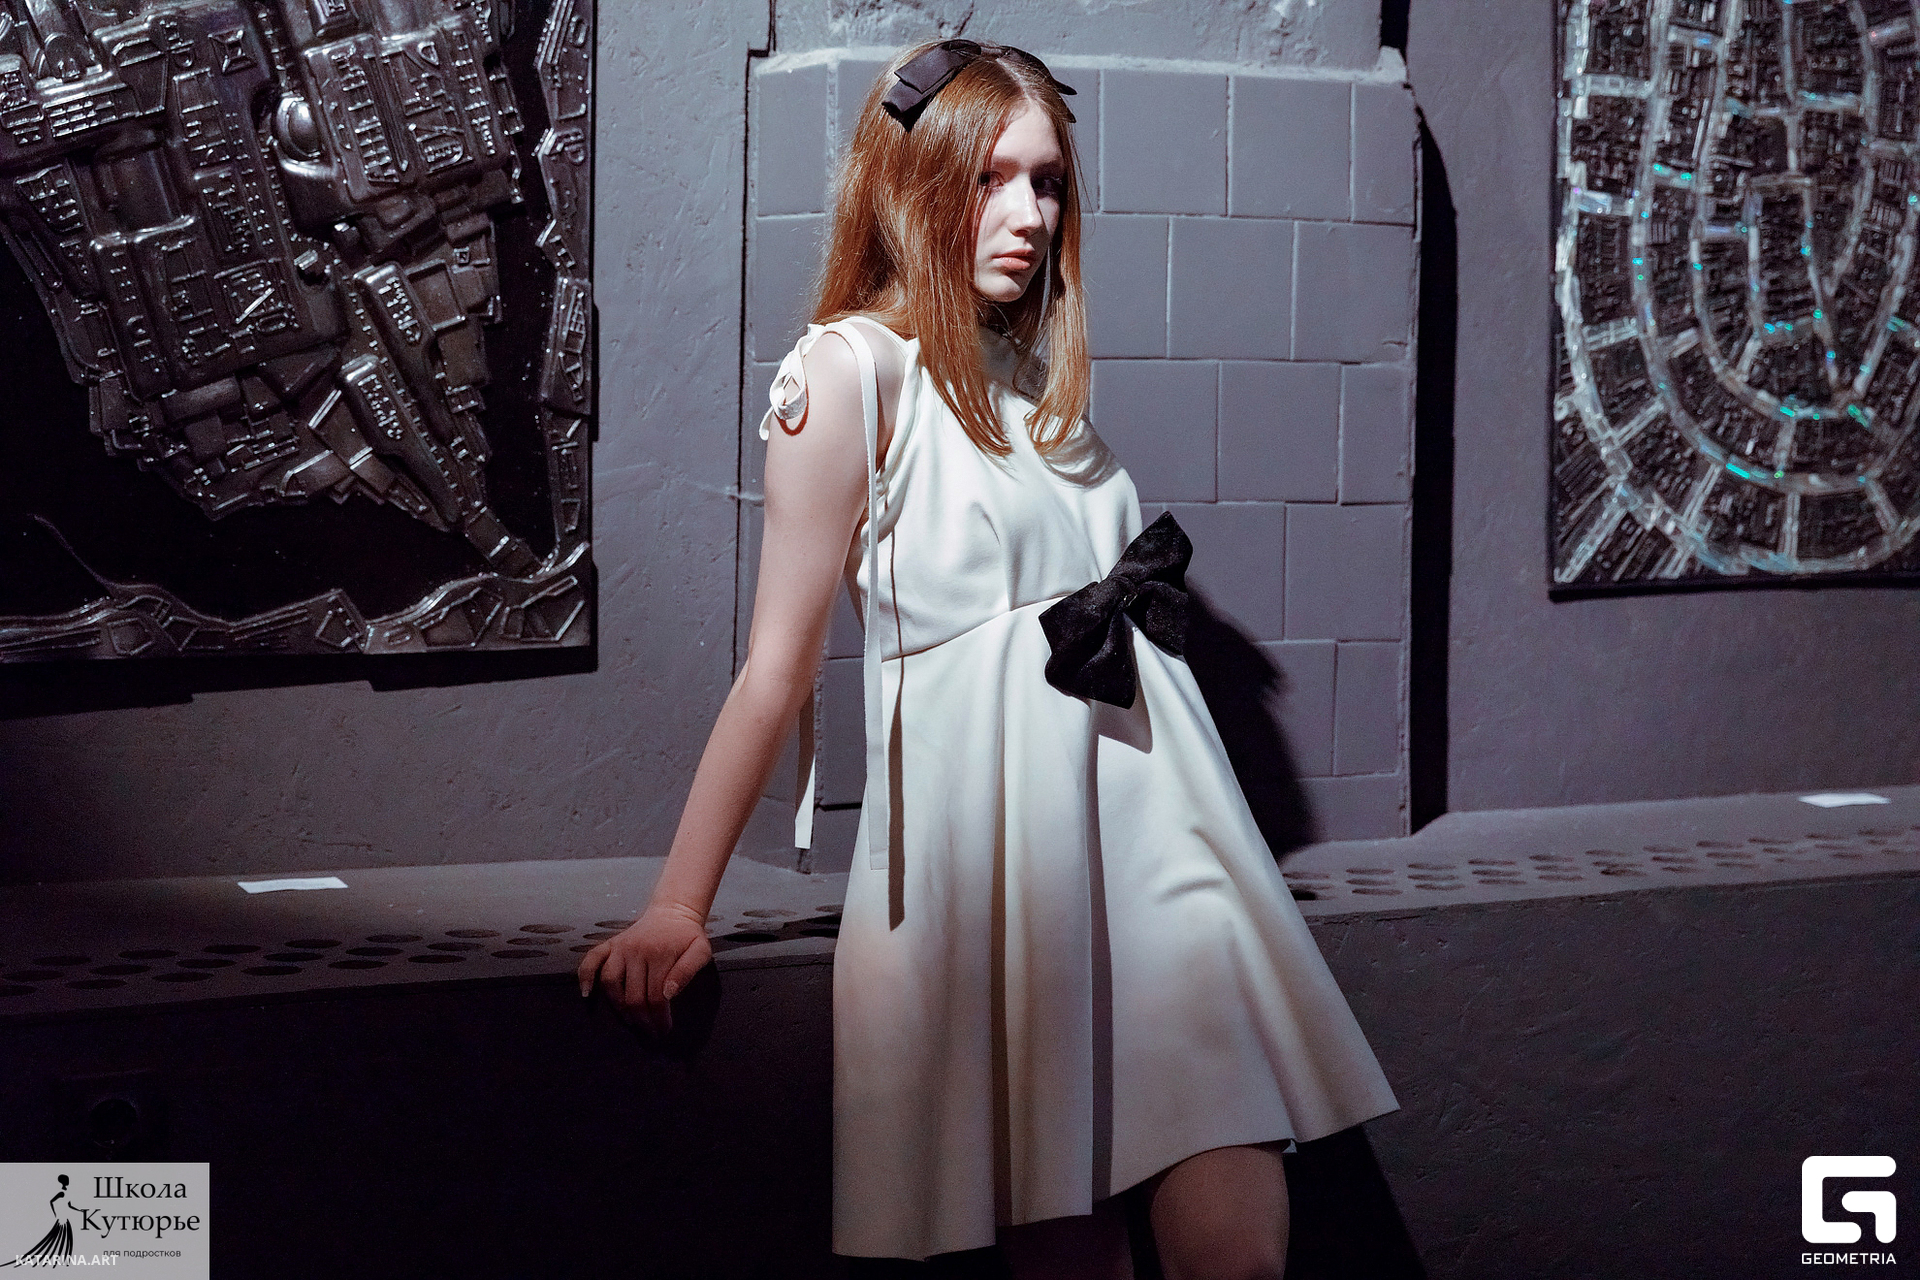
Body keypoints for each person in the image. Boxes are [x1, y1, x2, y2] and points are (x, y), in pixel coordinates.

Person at [579, 38, 1399, 1279]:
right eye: (991, 179)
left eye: (1049, 182)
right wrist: (676, 906)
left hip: (1158, 840)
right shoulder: (849, 372)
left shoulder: (1031, 371)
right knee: (1071, 1254)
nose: (1029, 214)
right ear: (913, 183)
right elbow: (775, 669)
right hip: (1001, 875)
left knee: (1242, 1242)